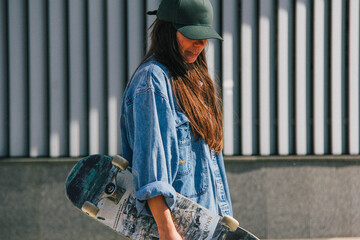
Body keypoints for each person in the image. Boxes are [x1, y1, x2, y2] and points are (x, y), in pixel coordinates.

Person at [120, 0, 233, 239]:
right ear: (167, 31)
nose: (201, 44)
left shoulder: (195, 80)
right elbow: (151, 169)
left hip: (209, 228)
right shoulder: (153, 81)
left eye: (205, 37)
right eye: (192, 35)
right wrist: (167, 230)